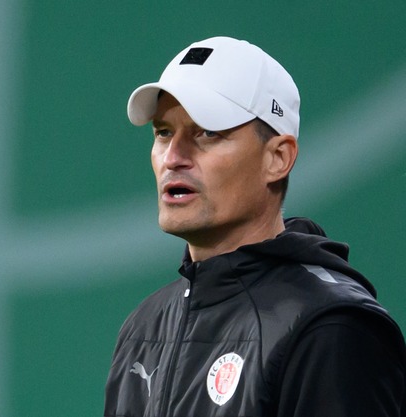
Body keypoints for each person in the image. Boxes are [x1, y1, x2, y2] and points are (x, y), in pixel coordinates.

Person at [103, 36, 406, 417]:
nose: (173, 157)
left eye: (206, 133)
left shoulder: (330, 328)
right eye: (164, 132)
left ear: (278, 158)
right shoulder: (144, 327)